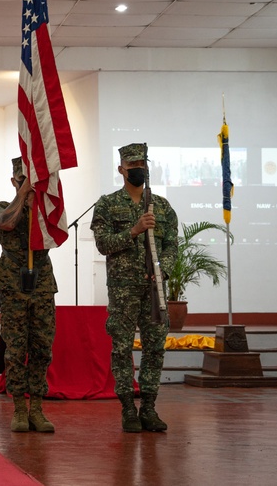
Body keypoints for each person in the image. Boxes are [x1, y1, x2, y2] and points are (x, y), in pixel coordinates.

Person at [91, 143, 178, 433]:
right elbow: (104, 244)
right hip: (123, 290)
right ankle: (128, 408)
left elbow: (171, 246)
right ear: (121, 170)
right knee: (122, 348)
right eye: (132, 166)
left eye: (142, 164)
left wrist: (161, 269)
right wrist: (134, 230)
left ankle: (149, 408)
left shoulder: (162, 206)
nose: (139, 169)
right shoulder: (107, 204)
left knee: (154, 348)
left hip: (154, 291)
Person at [0, 158, 57, 432]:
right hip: (13, 284)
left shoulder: (46, 210)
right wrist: (22, 195)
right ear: (13, 181)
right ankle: (19, 409)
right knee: (16, 349)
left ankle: (37, 409)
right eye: (21, 180)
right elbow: (5, 224)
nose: (27, 185)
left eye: (31, 180)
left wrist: (37, 205)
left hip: (41, 283)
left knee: (41, 347)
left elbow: (56, 232)